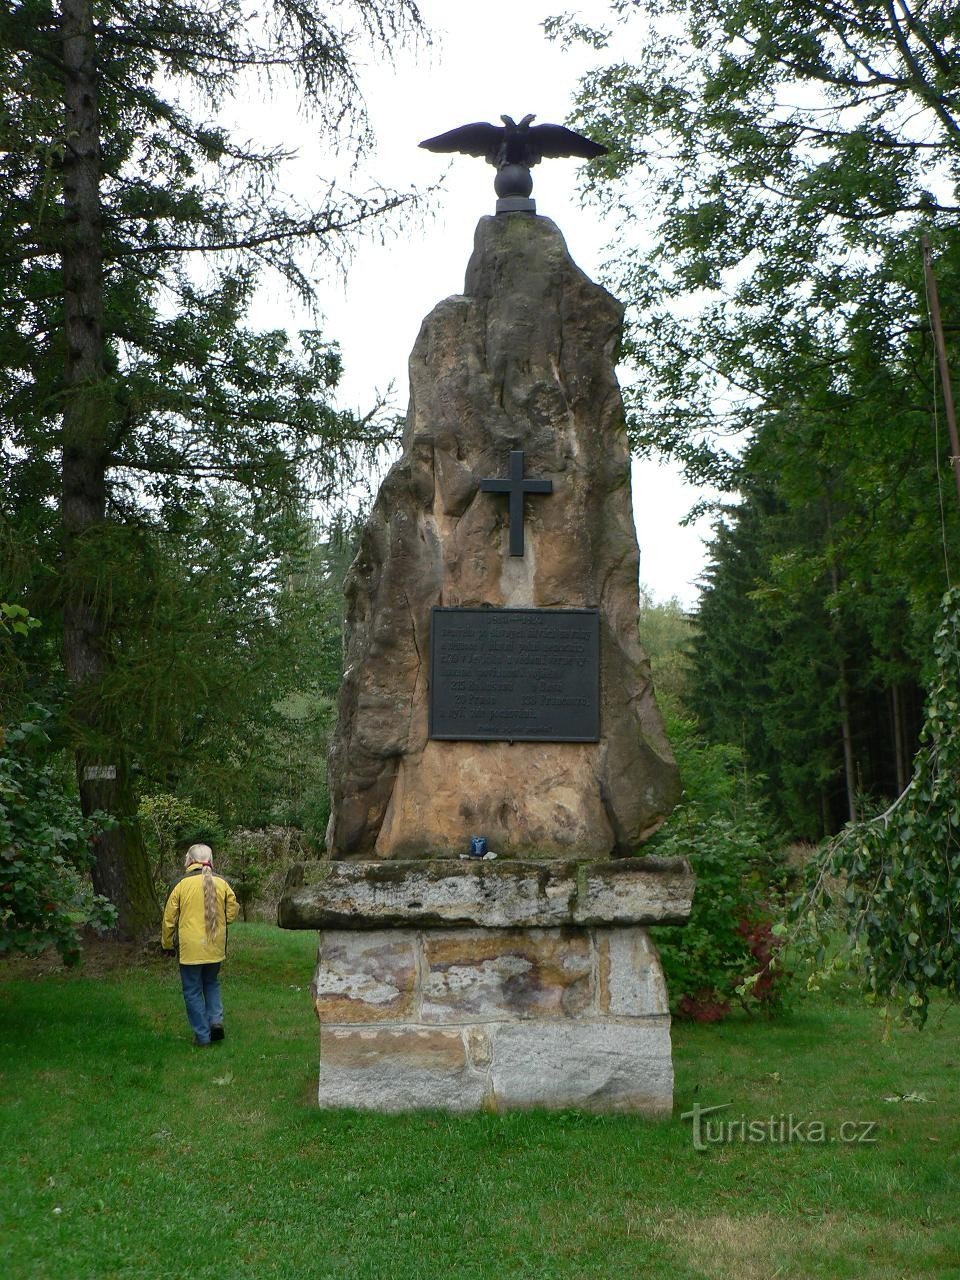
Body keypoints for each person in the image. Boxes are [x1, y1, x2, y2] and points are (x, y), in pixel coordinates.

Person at [161, 843, 239, 1047]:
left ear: (188, 861)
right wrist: (223, 922)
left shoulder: (180, 885)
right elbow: (232, 911)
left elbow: (169, 919)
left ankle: (203, 1036)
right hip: (215, 946)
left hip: (190, 949)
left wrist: (167, 944)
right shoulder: (222, 883)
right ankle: (215, 1021)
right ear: (211, 861)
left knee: (193, 990)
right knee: (211, 982)